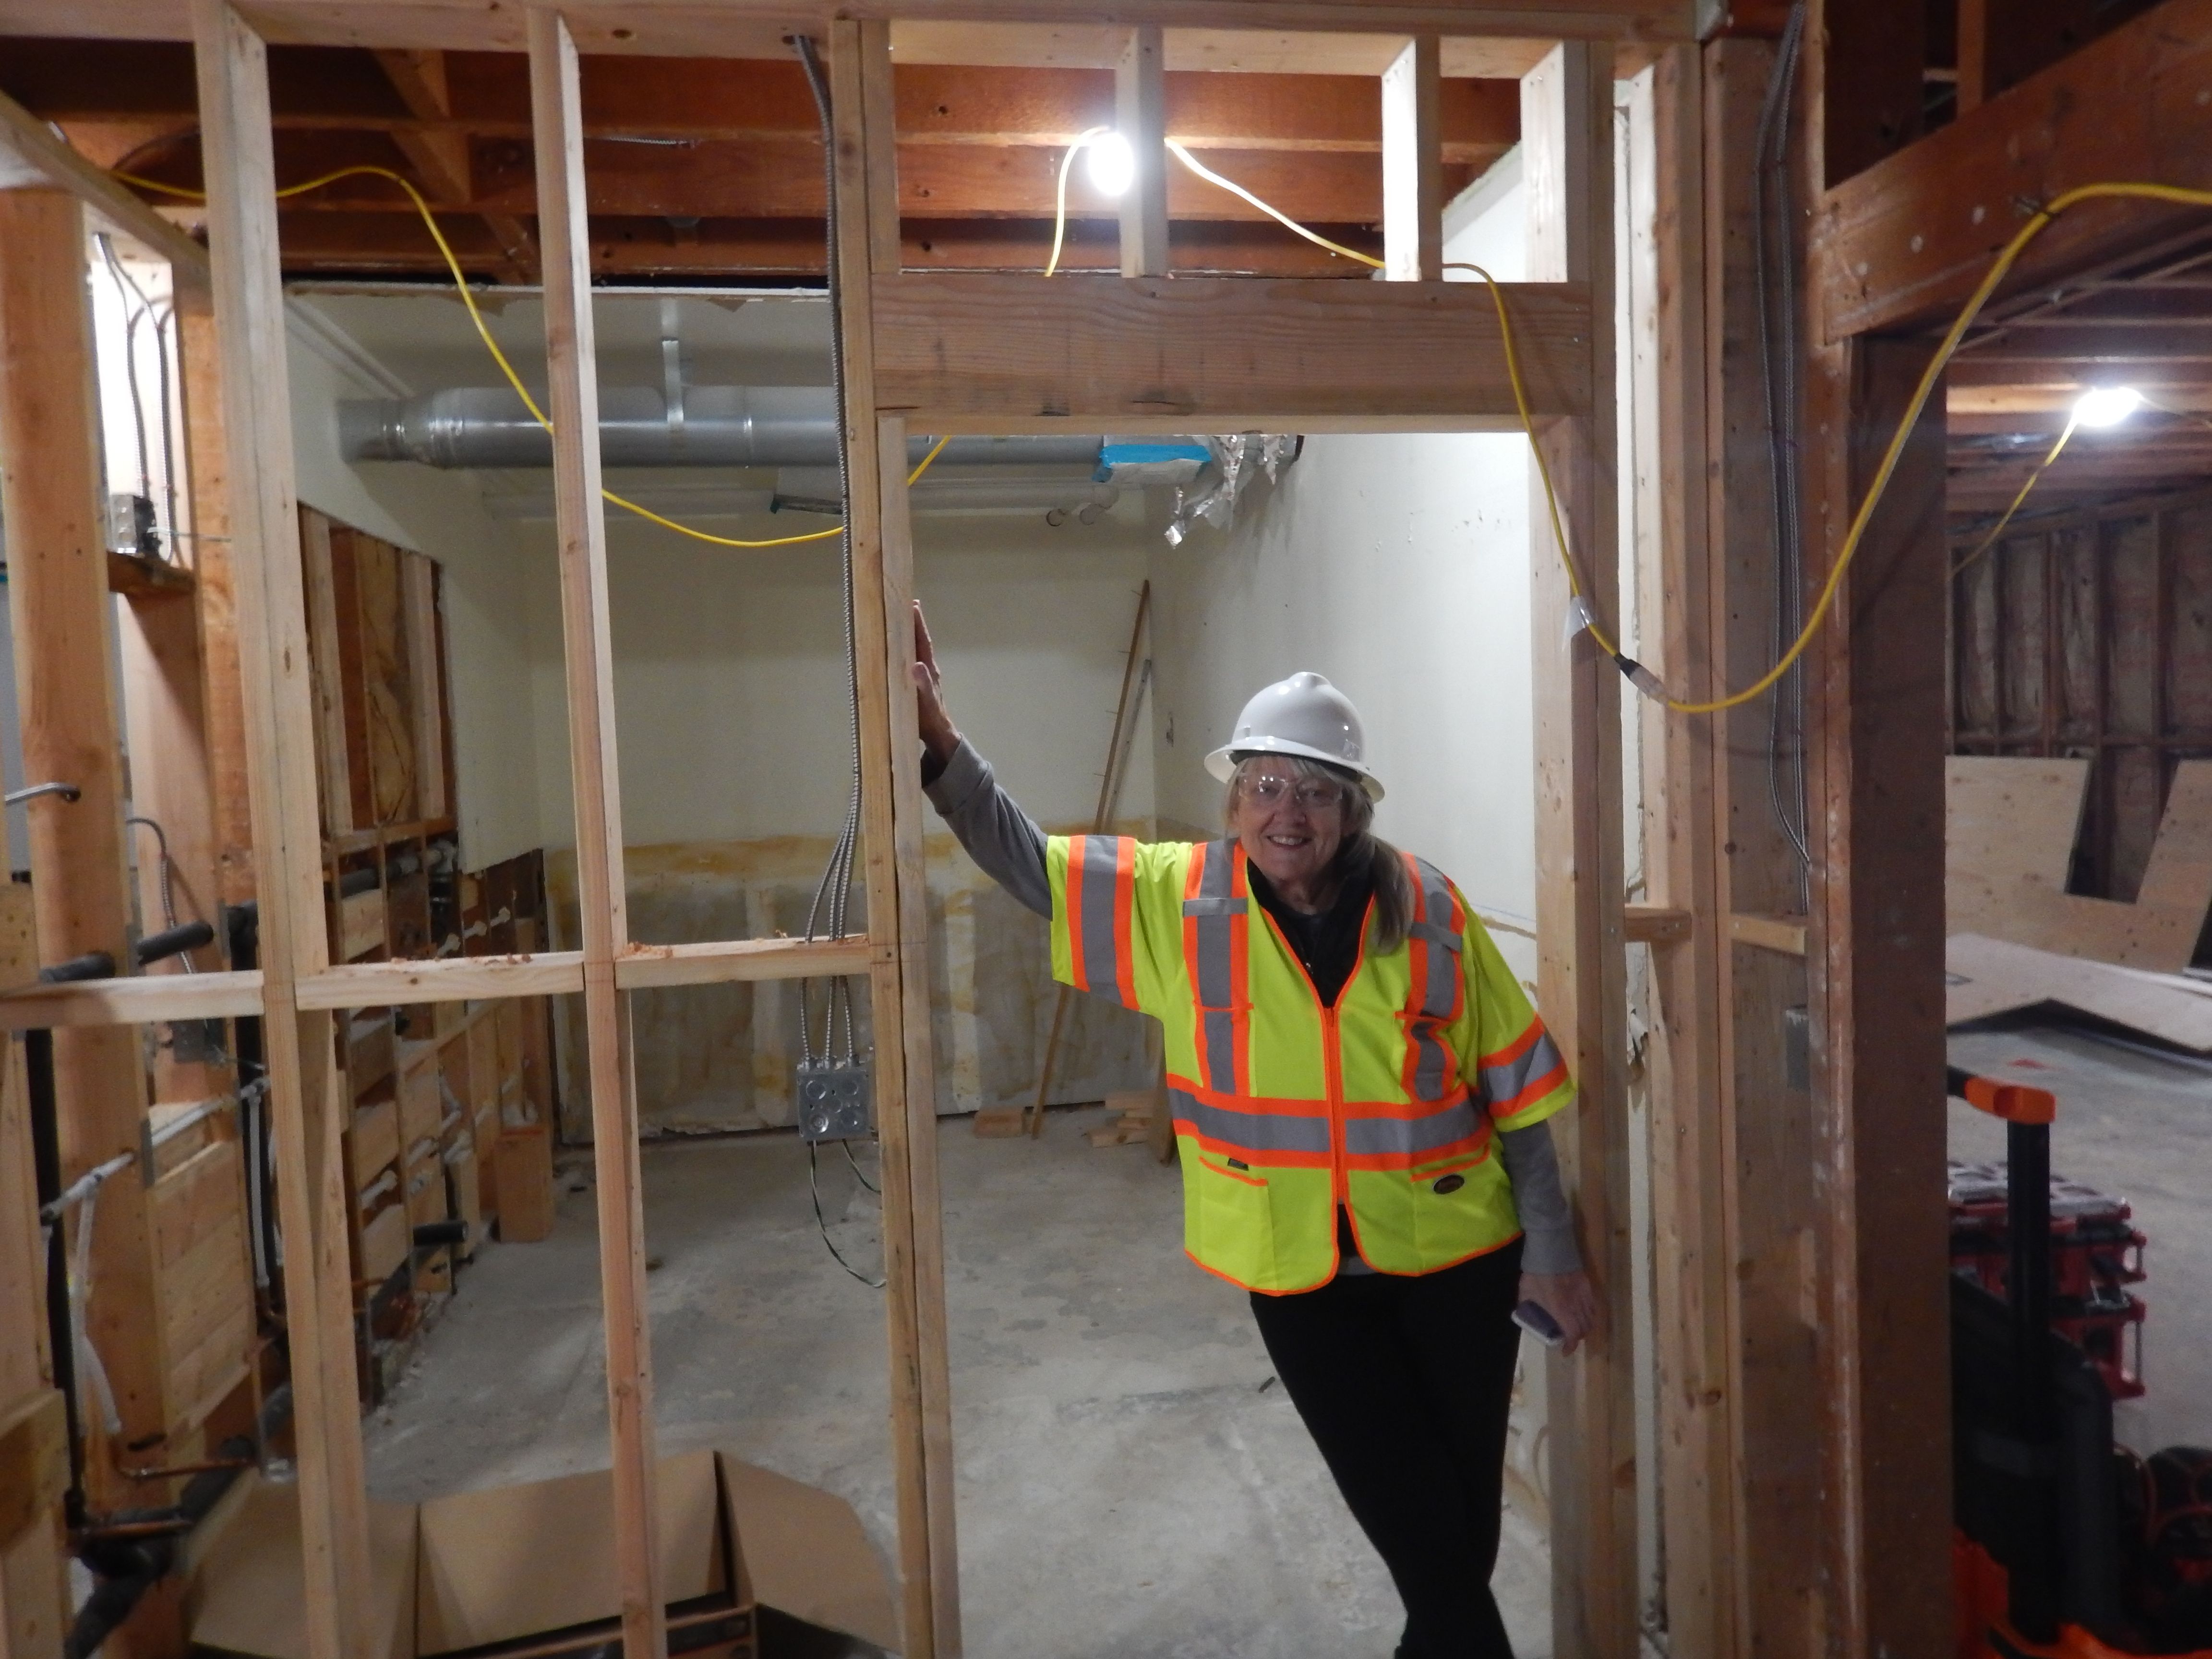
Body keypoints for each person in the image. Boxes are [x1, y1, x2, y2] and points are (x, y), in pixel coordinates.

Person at [909, 604, 1597, 1659]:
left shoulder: (1433, 909)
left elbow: (1515, 1092)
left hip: (1459, 1260)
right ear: (1233, 800)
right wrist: (943, 748)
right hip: (1300, 1278)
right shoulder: (1176, 902)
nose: (1289, 811)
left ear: (1353, 808)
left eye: (1316, 790)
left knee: (1461, 1542)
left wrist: (1550, 1253)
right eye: (1267, 786)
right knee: (1431, 1545)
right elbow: (1029, 863)